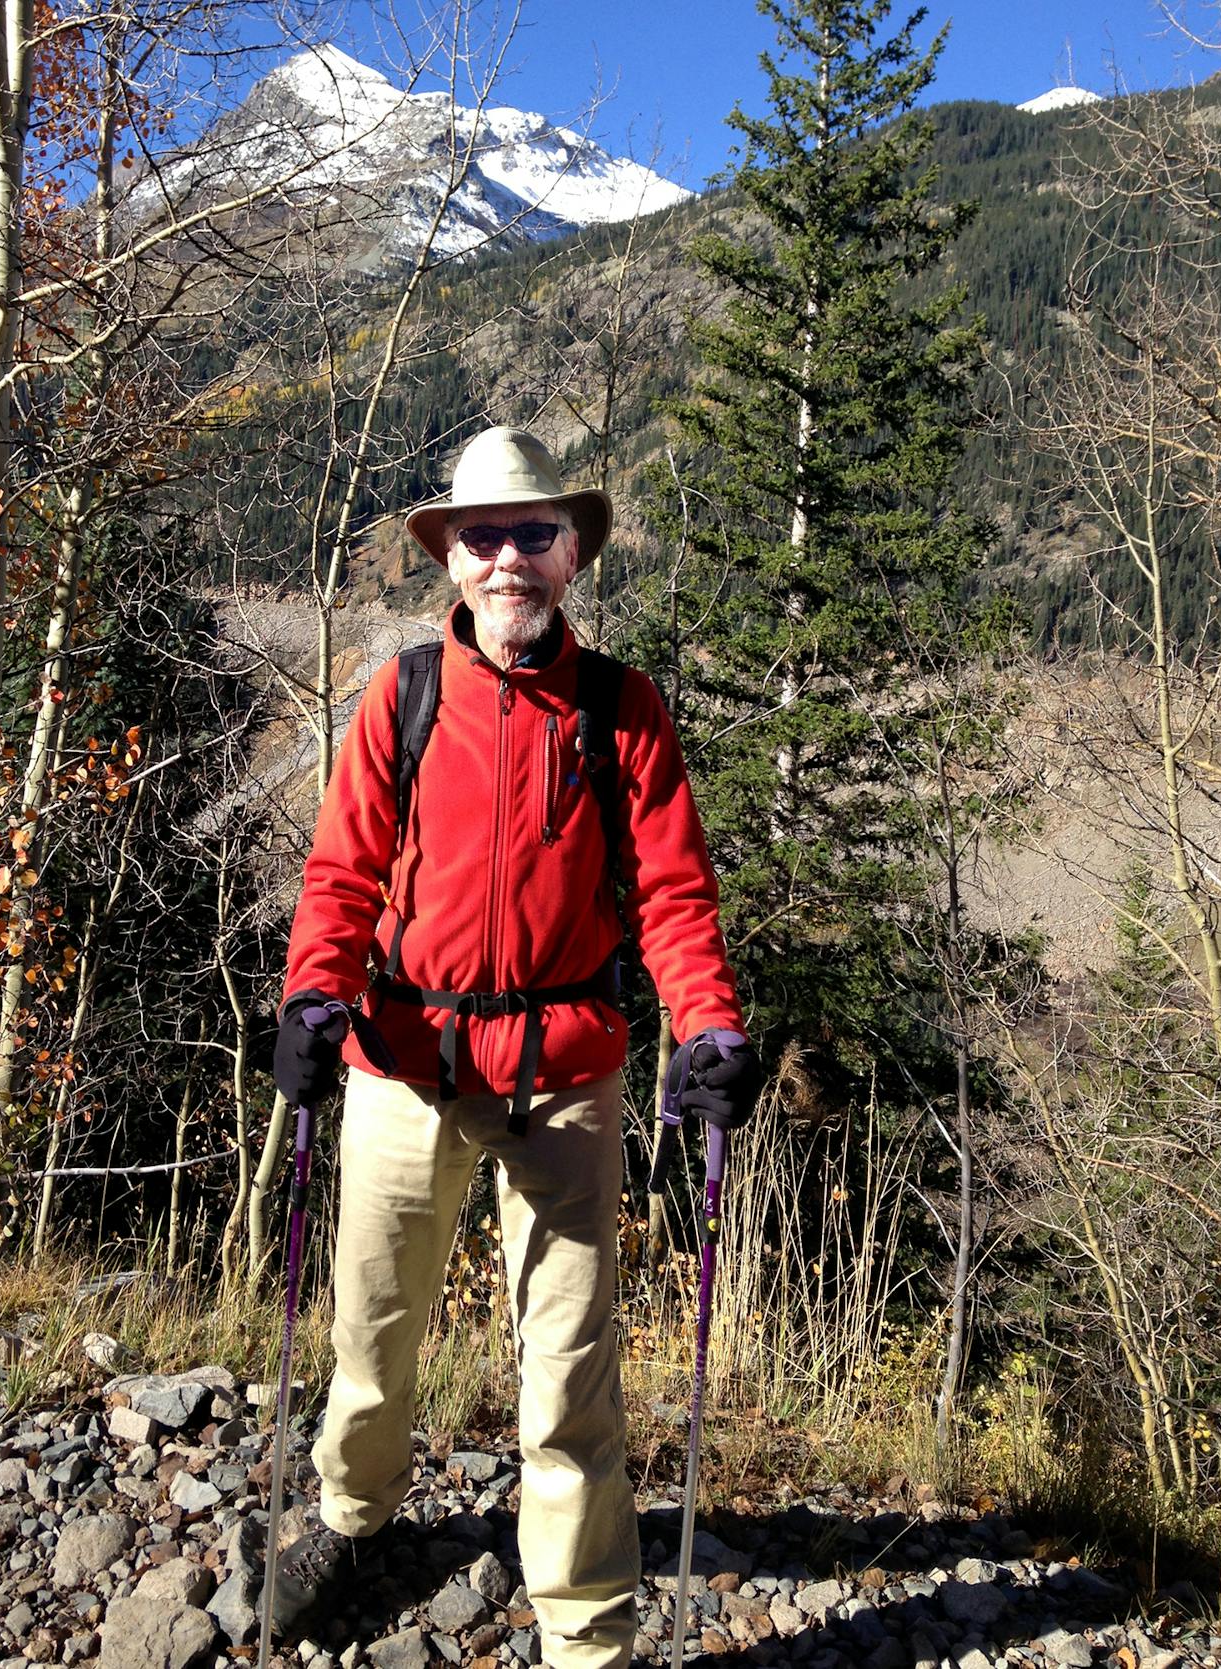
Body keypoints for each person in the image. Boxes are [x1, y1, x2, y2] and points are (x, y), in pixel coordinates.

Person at [273, 426, 761, 1669]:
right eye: (483, 537)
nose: (507, 562)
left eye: (531, 537)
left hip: (565, 1079)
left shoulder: (618, 707)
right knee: (372, 1330)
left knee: (570, 1373)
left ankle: (585, 1632)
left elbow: (671, 897)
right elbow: (339, 876)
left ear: (569, 555)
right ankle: (347, 1515)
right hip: (401, 1063)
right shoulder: (403, 694)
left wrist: (705, 1023)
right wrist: (313, 1000)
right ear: (452, 558)